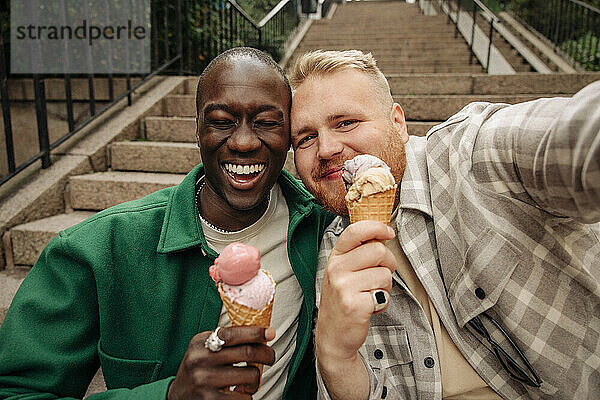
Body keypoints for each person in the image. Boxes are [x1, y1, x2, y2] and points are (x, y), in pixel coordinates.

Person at [0, 47, 332, 399]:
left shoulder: (319, 225)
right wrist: (169, 396)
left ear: (291, 136)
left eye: (266, 123)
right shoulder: (96, 251)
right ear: (198, 129)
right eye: (221, 121)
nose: (244, 142)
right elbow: (16, 393)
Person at [289, 49, 600, 399]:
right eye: (305, 139)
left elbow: (571, 135)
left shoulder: (473, 155)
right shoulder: (329, 258)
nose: (326, 148)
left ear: (398, 123)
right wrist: (335, 357)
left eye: (346, 122)